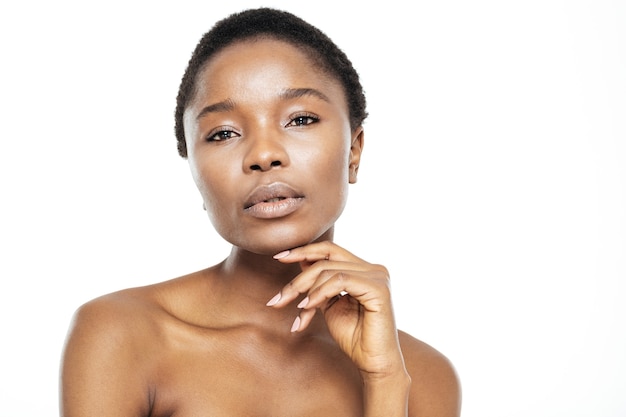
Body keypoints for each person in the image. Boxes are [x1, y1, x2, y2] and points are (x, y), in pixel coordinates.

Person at [60, 7, 461, 417]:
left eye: (300, 119)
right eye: (223, 133)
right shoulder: (122, 334)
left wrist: (383, 380)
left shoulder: (422, 374)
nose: (264, 155)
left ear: (354, 151)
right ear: (194, 170)